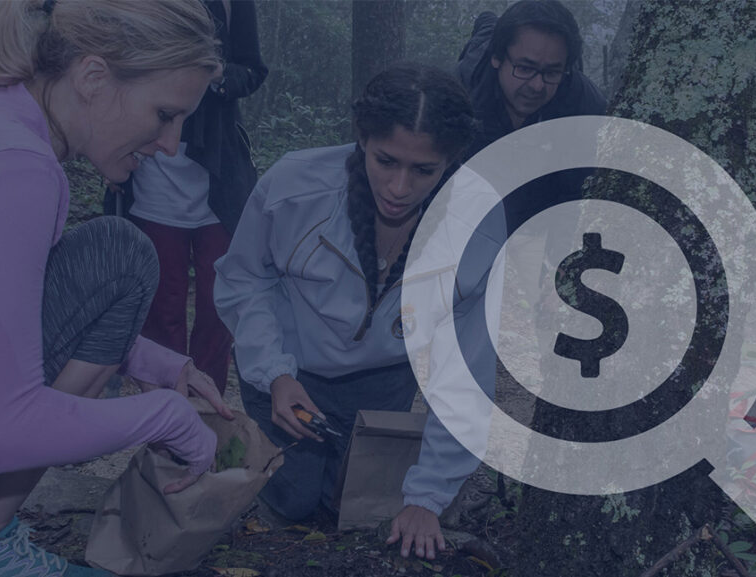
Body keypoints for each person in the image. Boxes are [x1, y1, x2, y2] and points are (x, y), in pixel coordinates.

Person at [0, 2, 234, 576]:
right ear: (93, 77)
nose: (170, 143)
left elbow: (0, 311)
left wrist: (153, 360)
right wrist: (164, 417)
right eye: (165, 114)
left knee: (107, 267)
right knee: (117, 256)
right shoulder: (11, 165)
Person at [214, 64, 502, 561]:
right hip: (290, 369)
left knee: (358, 510)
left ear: (452, 161)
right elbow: (245, 279)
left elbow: (468, 371)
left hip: (383, 379)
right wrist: (275, 373)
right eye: (386, 161)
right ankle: (230, 447)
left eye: (424, 170)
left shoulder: (478, 225)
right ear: (362, 139)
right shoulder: (295, 187)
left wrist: (427, 497)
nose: (399, 187)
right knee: (294, 501)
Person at [117, 0, 267, 396]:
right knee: (160, 301)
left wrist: (215, 74)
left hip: (219, 173)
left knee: (218, 304)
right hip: (150, 163)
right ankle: (165, 407)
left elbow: (252, 70)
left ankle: (206, 405)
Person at [456, 0, 607, 233]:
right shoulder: (461, 94)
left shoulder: (585, 106)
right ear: (497, 58)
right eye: (525, 68)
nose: (537, 86)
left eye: (552, 72)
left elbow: (575, 195)